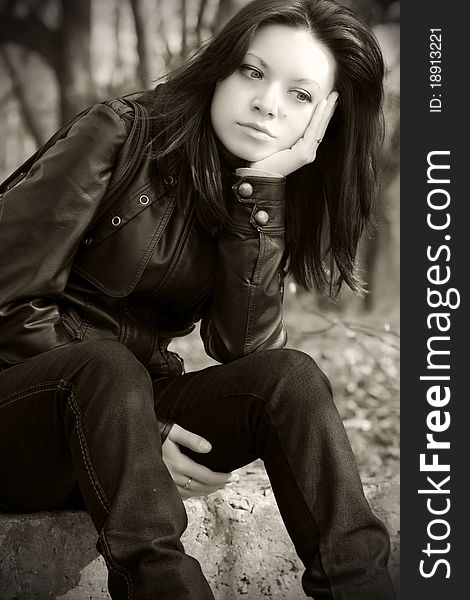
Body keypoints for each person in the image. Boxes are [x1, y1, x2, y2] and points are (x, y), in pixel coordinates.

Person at [0, 0, 396, 598]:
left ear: (323, 122)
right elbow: (7, 303)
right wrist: (142, 427)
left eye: (301, 95)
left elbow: (243, 350)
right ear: (219, 69)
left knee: (290, 378)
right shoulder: (119, 133)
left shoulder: (250, 189)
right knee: (107, 369)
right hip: (24, 414)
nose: (267, 103)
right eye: (254, 73)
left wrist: (260, 197)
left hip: (119, 420)